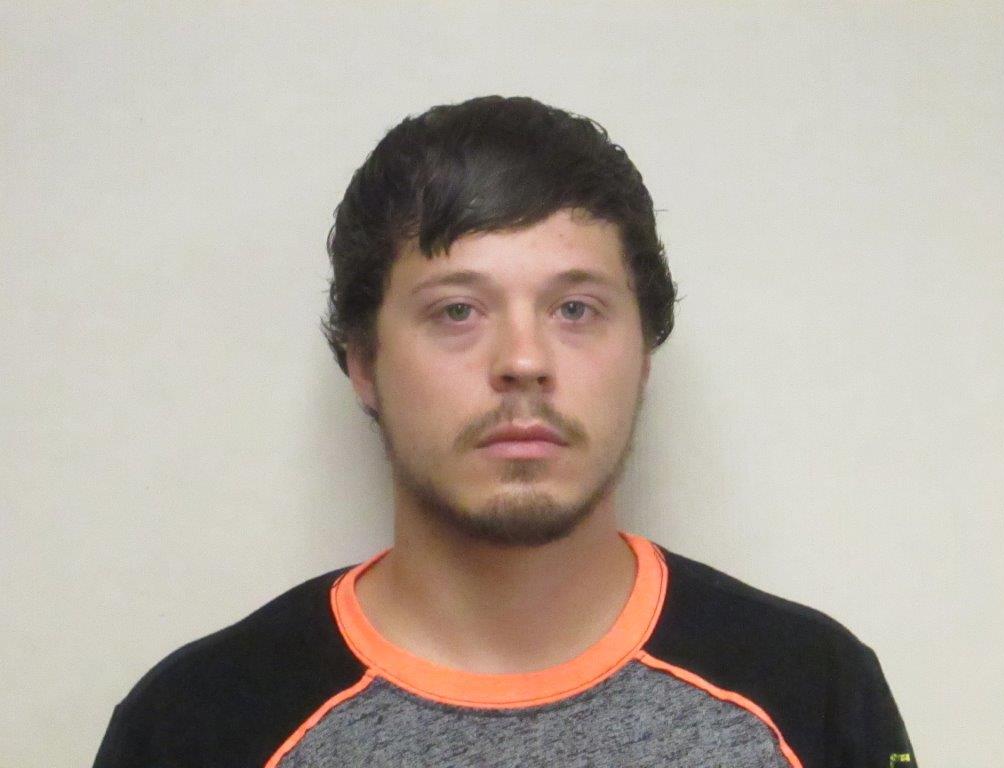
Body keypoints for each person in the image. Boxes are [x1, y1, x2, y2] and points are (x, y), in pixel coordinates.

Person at [93, 95, 915, 768]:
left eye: (575, 309)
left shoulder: (811, 690)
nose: (524, 360)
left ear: (643, 356)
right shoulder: (197, 726)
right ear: (364, 363)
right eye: (458, 311)